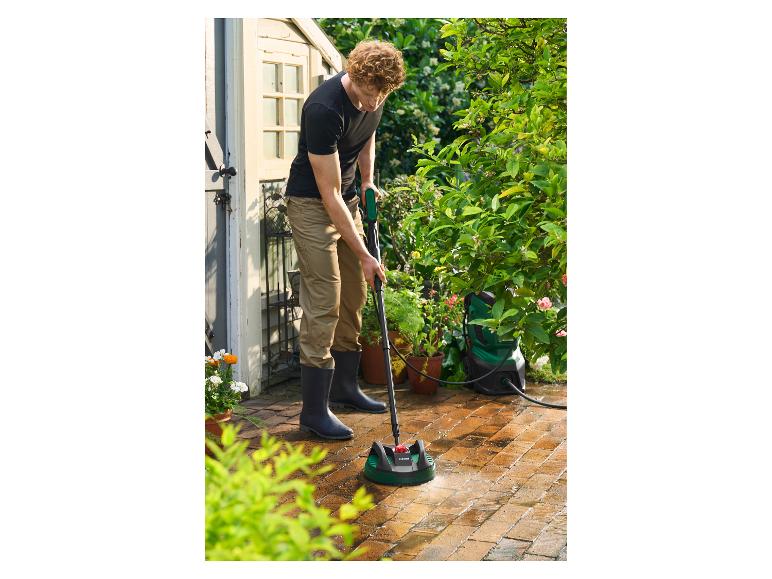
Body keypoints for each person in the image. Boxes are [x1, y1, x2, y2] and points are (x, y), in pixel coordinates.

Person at [285, 40, 406, 440]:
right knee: (325, 299)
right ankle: (313, 413)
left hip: (348, 200)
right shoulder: (323, 109)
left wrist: (369, 180)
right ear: (355, 76)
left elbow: (367, 135)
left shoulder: (377, 91)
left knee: (354, 293)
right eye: (372, 94)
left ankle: (345, 388)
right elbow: (329, 194)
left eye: (383, 96)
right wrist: (367, 253)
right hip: (313, 205)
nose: (376, 103)